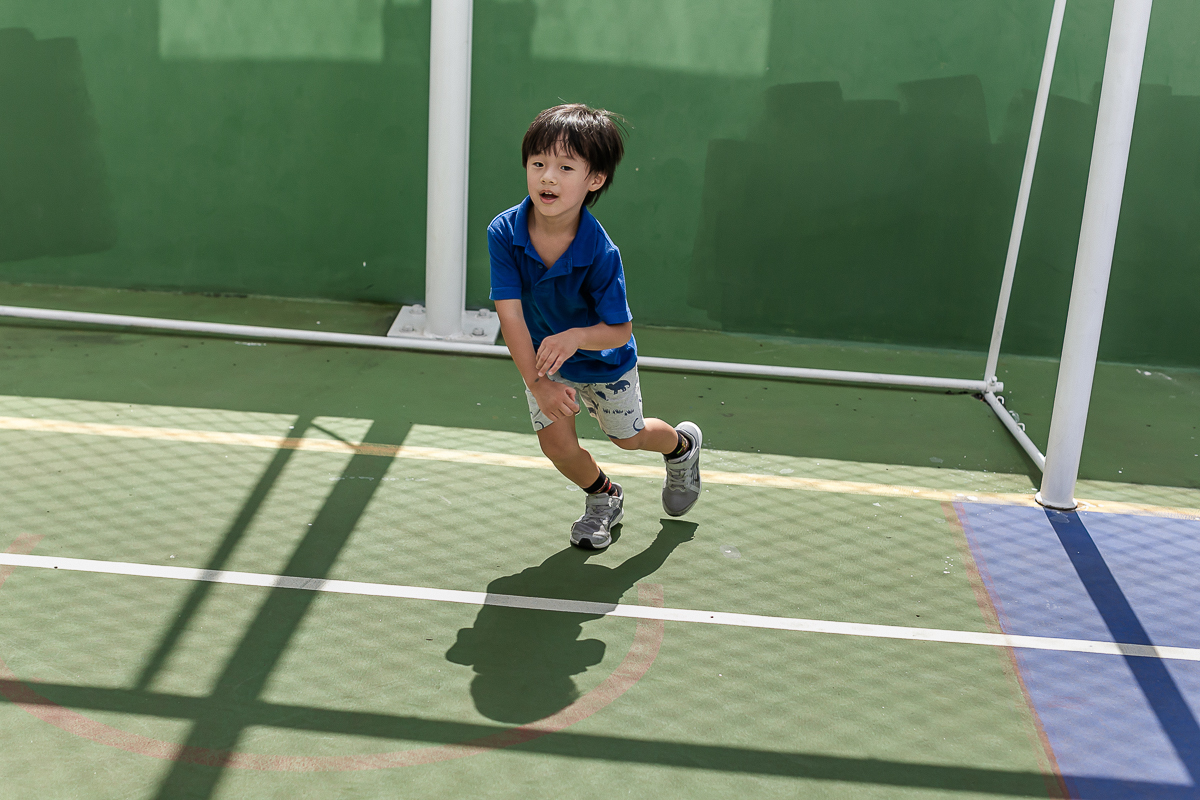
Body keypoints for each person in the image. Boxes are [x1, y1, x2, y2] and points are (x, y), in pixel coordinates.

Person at [489, 103, 703, 550]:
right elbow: (510, 315)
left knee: (628, 438)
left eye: (566, 167)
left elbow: (620, 330)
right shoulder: (504, 232)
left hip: (606, 363)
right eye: (538, 164)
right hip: (546, 362)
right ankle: (604, 497)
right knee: (557, 447)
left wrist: (576, 337)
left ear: (595, 179)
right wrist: (538, 382)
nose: (548, 177)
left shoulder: (602, 253)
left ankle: (681, 447)